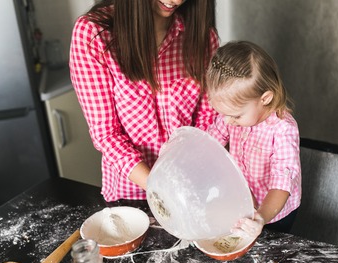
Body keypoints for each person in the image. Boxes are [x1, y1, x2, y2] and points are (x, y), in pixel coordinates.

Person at [69, 0, 219, 202]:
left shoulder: (201, 36)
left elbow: (207, 119)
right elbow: (106, 134)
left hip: (190, 186)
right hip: (132, 195)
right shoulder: (94, 33)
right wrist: (162, 191)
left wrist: (187, 180)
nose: (177, 0)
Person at [206, 41, 301, 237]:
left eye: (236, 116)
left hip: (275, 213)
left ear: (265, 98)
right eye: (222, 114)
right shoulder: (233, 114)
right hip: (242, 200)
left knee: (266, 256)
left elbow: (281, 185)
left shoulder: (283, 129)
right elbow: (210, 140)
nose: (227, 121)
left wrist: (261, 217)